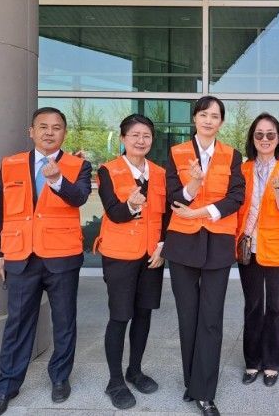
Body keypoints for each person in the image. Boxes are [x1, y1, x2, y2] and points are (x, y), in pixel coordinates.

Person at [0, 107, 92, 416]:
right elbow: (0, 210)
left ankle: (60, 378)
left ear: (64, 134)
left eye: (56, 127)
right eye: (43, 126)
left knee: (64, 322)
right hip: (21, 257)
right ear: (31, 132)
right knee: (17, 323)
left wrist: (57, 179)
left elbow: (79, 197)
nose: (49, 132)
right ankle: (7, 385)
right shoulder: (10, 164)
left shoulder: (78, 165)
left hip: (62, 257)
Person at [162, 96, 245, 416]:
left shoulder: (232, 155)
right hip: (183, 243)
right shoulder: (176, 152)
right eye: (204, 115)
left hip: (218, 243)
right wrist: (194, 183)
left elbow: (236, 196)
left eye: (215, 116)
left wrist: (202, 211)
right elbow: (173, 198)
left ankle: (205, 392)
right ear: (194, 118)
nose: (209, 120)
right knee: (188, 316)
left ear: (221, 122)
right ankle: (191, 382)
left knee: (210, 319)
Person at [94, 114, 168, 409]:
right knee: (120, 316)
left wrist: (162, 247)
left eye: (146, 135)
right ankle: (115, 381)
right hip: (120, 256)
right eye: (135, 135)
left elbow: (167, 216)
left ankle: (134, 370)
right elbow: (114, 212)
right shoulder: (108, 170)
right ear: (123, 138)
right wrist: (131, 205)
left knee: (144, 314)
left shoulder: (160, 173)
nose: (141, 140)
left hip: (151, 256)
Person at [237, 113, 279, 387]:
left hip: (278, 247)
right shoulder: (242, 170)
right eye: (259, 134)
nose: (265, 139)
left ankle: (273, 362)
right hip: (248, 246)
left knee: (275, 306)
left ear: (278, 138)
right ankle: (252, 361)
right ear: (252, 139)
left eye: (270, 134)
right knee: (253, 305)